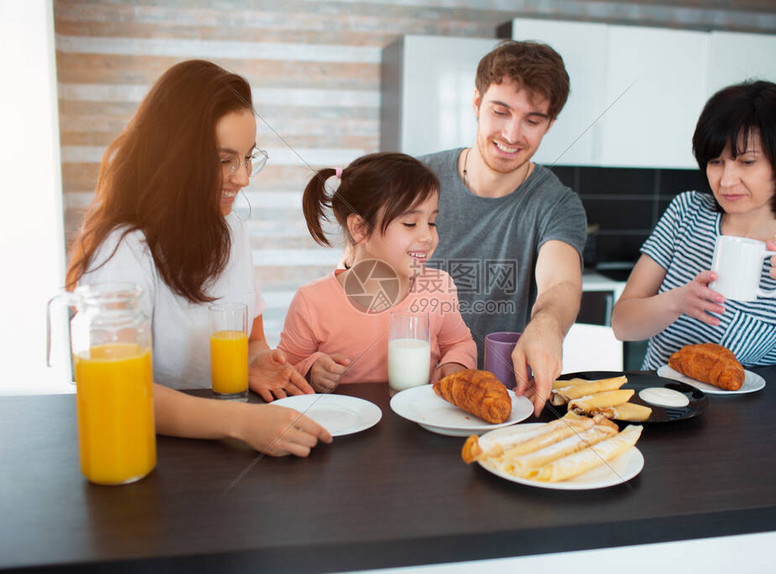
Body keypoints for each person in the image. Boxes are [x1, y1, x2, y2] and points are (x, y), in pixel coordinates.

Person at [65, 60, 331, 456]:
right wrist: (241, 423)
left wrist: (255, 361)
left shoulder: (233, 233)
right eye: (224, 160)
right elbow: (117, 389)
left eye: (248, 158)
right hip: (149, 450)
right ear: (174, 157)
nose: (242, 178)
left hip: (225, 445)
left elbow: (252, 339)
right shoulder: (123, 249)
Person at [612, 80, 776, 369]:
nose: (726, 180)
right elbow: (622, 325)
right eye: (716, 162)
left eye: (746, 162)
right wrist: (677, 302)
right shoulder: (687, 212)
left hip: (751, 416)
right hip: (659, 406)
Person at [420, 40, 587, 415]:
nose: (512, 135)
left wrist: (547, 324)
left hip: (504, 401)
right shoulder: (416, 179)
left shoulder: (557, 203)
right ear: (477, 103)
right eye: (501, 112)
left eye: (532, 120)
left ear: (550, 124)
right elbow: (361, 270)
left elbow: (562, 283)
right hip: (411, 392)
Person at [278, 152, 477, 391]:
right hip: (346, 425)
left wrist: (455, 363)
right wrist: (310, 370)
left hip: (417, 421)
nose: (427, 236)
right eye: (410, 224)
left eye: (432, 222)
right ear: (360, 229)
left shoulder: (439, 288)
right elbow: (283, 368)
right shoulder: (312, 302)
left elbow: (459, 342)